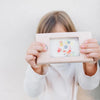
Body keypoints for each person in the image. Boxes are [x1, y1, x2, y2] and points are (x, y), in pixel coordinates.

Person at [24, 11, 100, 100]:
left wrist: (90, 64)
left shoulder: (76, 62)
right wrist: (36, 70)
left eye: (62, 40)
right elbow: (32, 92)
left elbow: (89, 85)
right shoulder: (37, 64)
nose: (58, 48)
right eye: (52, 42)